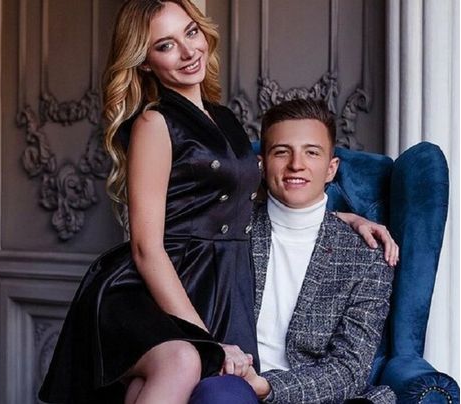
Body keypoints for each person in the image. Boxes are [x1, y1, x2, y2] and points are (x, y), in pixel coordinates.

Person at [39, 2, 397, 403]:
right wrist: (206, 340)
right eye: (165, 45)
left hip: (210, 285)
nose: (188, 51)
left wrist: (341, 218)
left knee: (152, 387)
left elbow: (247, 200)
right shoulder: (154, 123)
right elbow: (145, 247)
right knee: (182, 362)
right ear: (144, 62)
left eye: (191, 32)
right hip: (154, 286)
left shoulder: (224, 119)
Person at [247, 99, 394, 403]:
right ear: (262, 165)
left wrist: (267, 388)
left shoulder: (366, 256)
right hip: (231, 388)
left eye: (311, 152)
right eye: (282, 152)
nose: (296, 164)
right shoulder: (231, 234)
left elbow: (349, 370)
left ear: (331, 169)